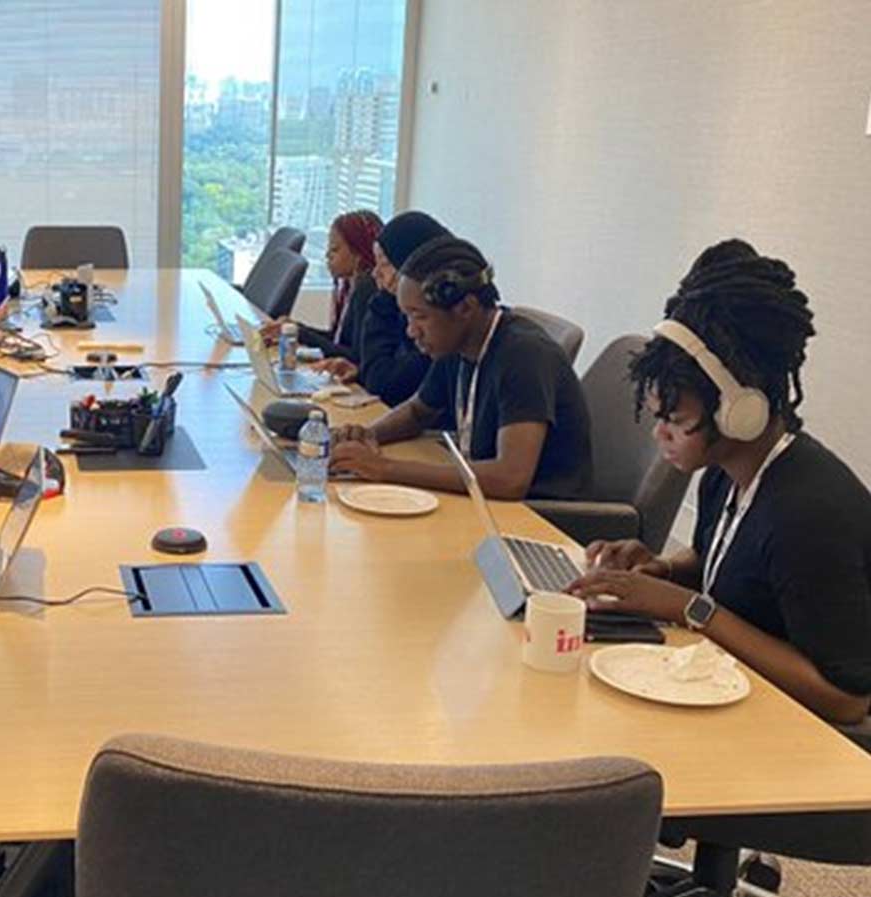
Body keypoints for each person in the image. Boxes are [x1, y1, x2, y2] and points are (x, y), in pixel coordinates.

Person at [569, 240, 871, 726]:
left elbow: (847, 698)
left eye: (674, 418)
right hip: (736, 692)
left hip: (814, 745)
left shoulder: (807, 514)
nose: (658, 433)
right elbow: (734, 563)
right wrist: (662, 571)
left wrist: (693, 609)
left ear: (739, 411)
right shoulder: (728, 471)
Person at [331, 235, 592, 501]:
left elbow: (510, 479)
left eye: (420, 316)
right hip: (485, 502)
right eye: (407, 316)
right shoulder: (457, 343)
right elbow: (417, 412)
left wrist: (385, 468)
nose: (411, 331)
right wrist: (366, 436)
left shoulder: (523, 354)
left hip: (538, 517)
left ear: (465, 308)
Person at [317, 211, 451, 405]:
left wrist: (385, 298)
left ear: (411, 266)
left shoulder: (437, 328)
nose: (375, 273)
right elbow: (387, 374)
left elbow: (383, 384)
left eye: (385, 264)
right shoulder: (402, 310)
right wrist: (361, 372)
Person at [262, 210, 383, 360]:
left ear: (358, 253)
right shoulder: (347, 286)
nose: (327, 255)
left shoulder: (367, 289)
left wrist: (301, 333)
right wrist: (294, 329)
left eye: (334, 249)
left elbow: (354, 357)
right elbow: (336, 340)